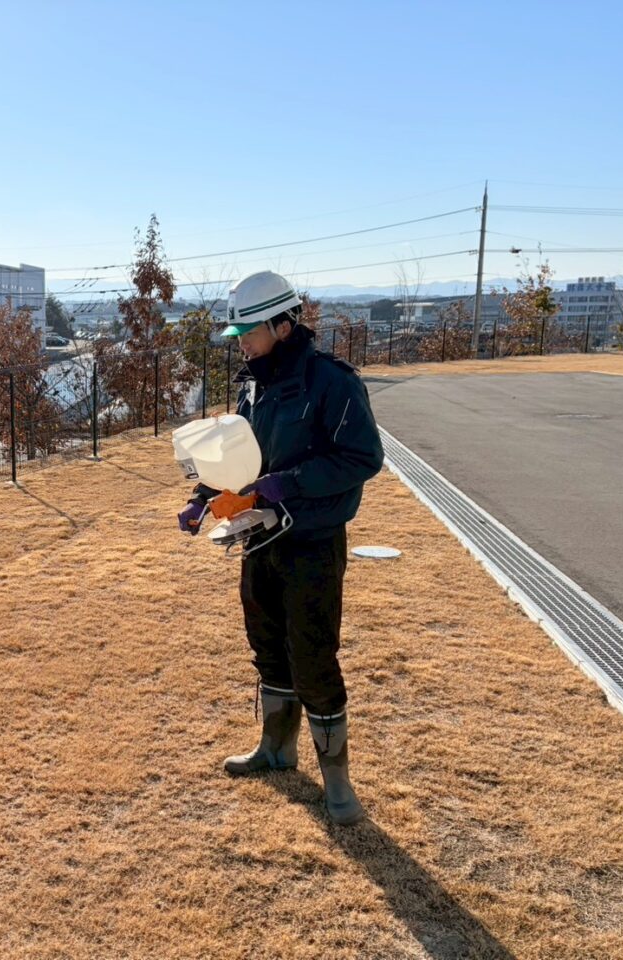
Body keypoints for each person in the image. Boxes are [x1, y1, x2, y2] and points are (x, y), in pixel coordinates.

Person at [177, 271, 384, 825]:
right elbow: (236, 460)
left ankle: (337, 783)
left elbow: (363, 458)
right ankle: (276, 748)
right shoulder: (254, 385)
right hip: (257, 538)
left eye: (248, 332)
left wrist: (287, 482)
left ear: (283, 325)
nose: (241, 343)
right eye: (238, 335)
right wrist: (203, 498)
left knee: (312, 657)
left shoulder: (332, 382)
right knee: (266, 644)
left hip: (311, 543)